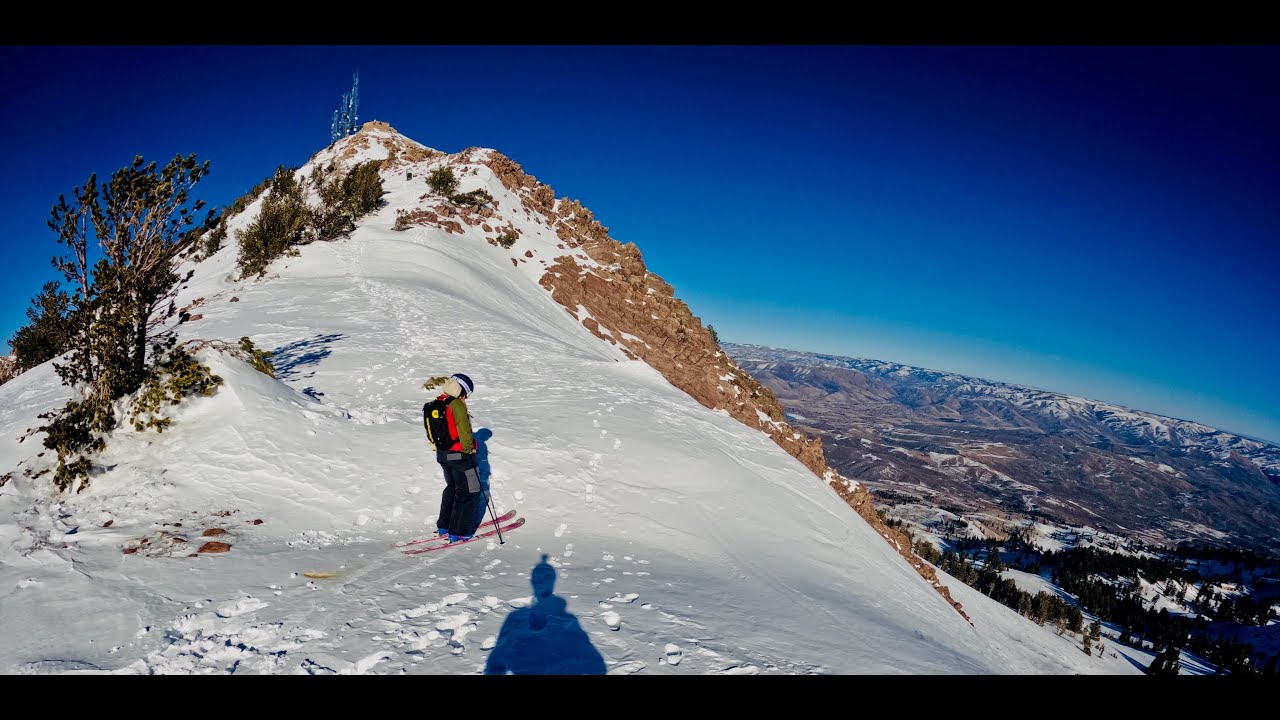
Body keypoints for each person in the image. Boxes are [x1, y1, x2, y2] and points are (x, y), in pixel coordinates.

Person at [423, 373, 481, 542]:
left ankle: (444, 526)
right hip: (461, 455)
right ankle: (459, 531)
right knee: (470, 491)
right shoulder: (456, 404)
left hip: (443, 454)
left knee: (453, 488)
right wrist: (470, 449)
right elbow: (464, 432)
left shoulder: (436, 402)